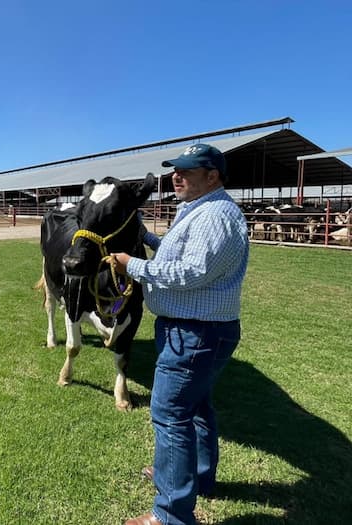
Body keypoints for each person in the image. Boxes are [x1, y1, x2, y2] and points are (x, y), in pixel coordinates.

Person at [111, 144, 249, 525]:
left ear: (213, 176)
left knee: (170, 412)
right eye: (176, 170)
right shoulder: (204, 210)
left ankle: (171, 514)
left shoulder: (214, 215)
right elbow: (180, 255)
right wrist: (146, 238)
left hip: (194, 333)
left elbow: (191, 272)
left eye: (188, 170)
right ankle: (195, 477)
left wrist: (133, 265)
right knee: (197, 406)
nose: (177, 176)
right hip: (201, 330)